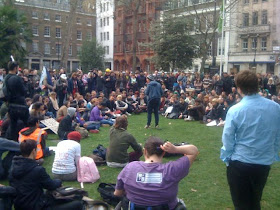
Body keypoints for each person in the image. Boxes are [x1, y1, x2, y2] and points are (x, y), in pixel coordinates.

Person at [220, 70, 280, 210]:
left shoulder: (236, 110)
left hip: (241, 163)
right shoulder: (275, 107)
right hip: (263, 162)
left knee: (243, 204)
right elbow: (277, 135)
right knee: (254, 201)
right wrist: (272, 153)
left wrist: (227, 157)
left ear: (238, 88)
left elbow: (227, 138)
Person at [114, 137, 198, 209]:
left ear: (145, 151)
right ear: (164, 152)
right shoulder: (172, 170)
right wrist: (175, 149)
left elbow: (117, 193)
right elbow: (193, 151)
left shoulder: (130, 167)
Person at [9, 139, 83, 210]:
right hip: (37, 206)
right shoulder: (37, 170)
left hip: (20, 205)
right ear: (34, 151)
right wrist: (59, 181)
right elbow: (51, 185)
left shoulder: (13, 167)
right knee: (77, 204)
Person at [4, 61, 29, 141]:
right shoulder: (17, 78)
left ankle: (12, 141)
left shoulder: (6, 78)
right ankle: (25, 140)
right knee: (26, 124)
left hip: (11, 104)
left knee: (13, 125)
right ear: (15, 68)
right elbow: (24, 91)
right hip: (20, 105)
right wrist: (25, 83)